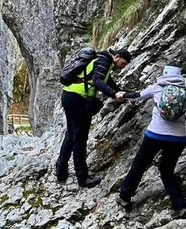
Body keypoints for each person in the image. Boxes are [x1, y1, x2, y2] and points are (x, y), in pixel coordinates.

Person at [116, 63, 186, 219]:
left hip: (154, 135)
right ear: (180, 77)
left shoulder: (157, 87)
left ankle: (124, 197)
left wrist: (123, 95)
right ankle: (180, 207)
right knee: (167, 171)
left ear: (165, 74)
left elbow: (137, 95)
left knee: (139, 165)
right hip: (178, 139)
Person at [56, 47, 132, 187]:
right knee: (79, 138)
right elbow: (98, 81)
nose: (122, 67)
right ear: (117, 57)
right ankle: (83, 178)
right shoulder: (104, 62)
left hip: (70, 95)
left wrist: (128, 95)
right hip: (77, 99)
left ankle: (61, 169)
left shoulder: (103, 61)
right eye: (123, 63)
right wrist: (115, 95)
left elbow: (109, 83)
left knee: (71, 134)